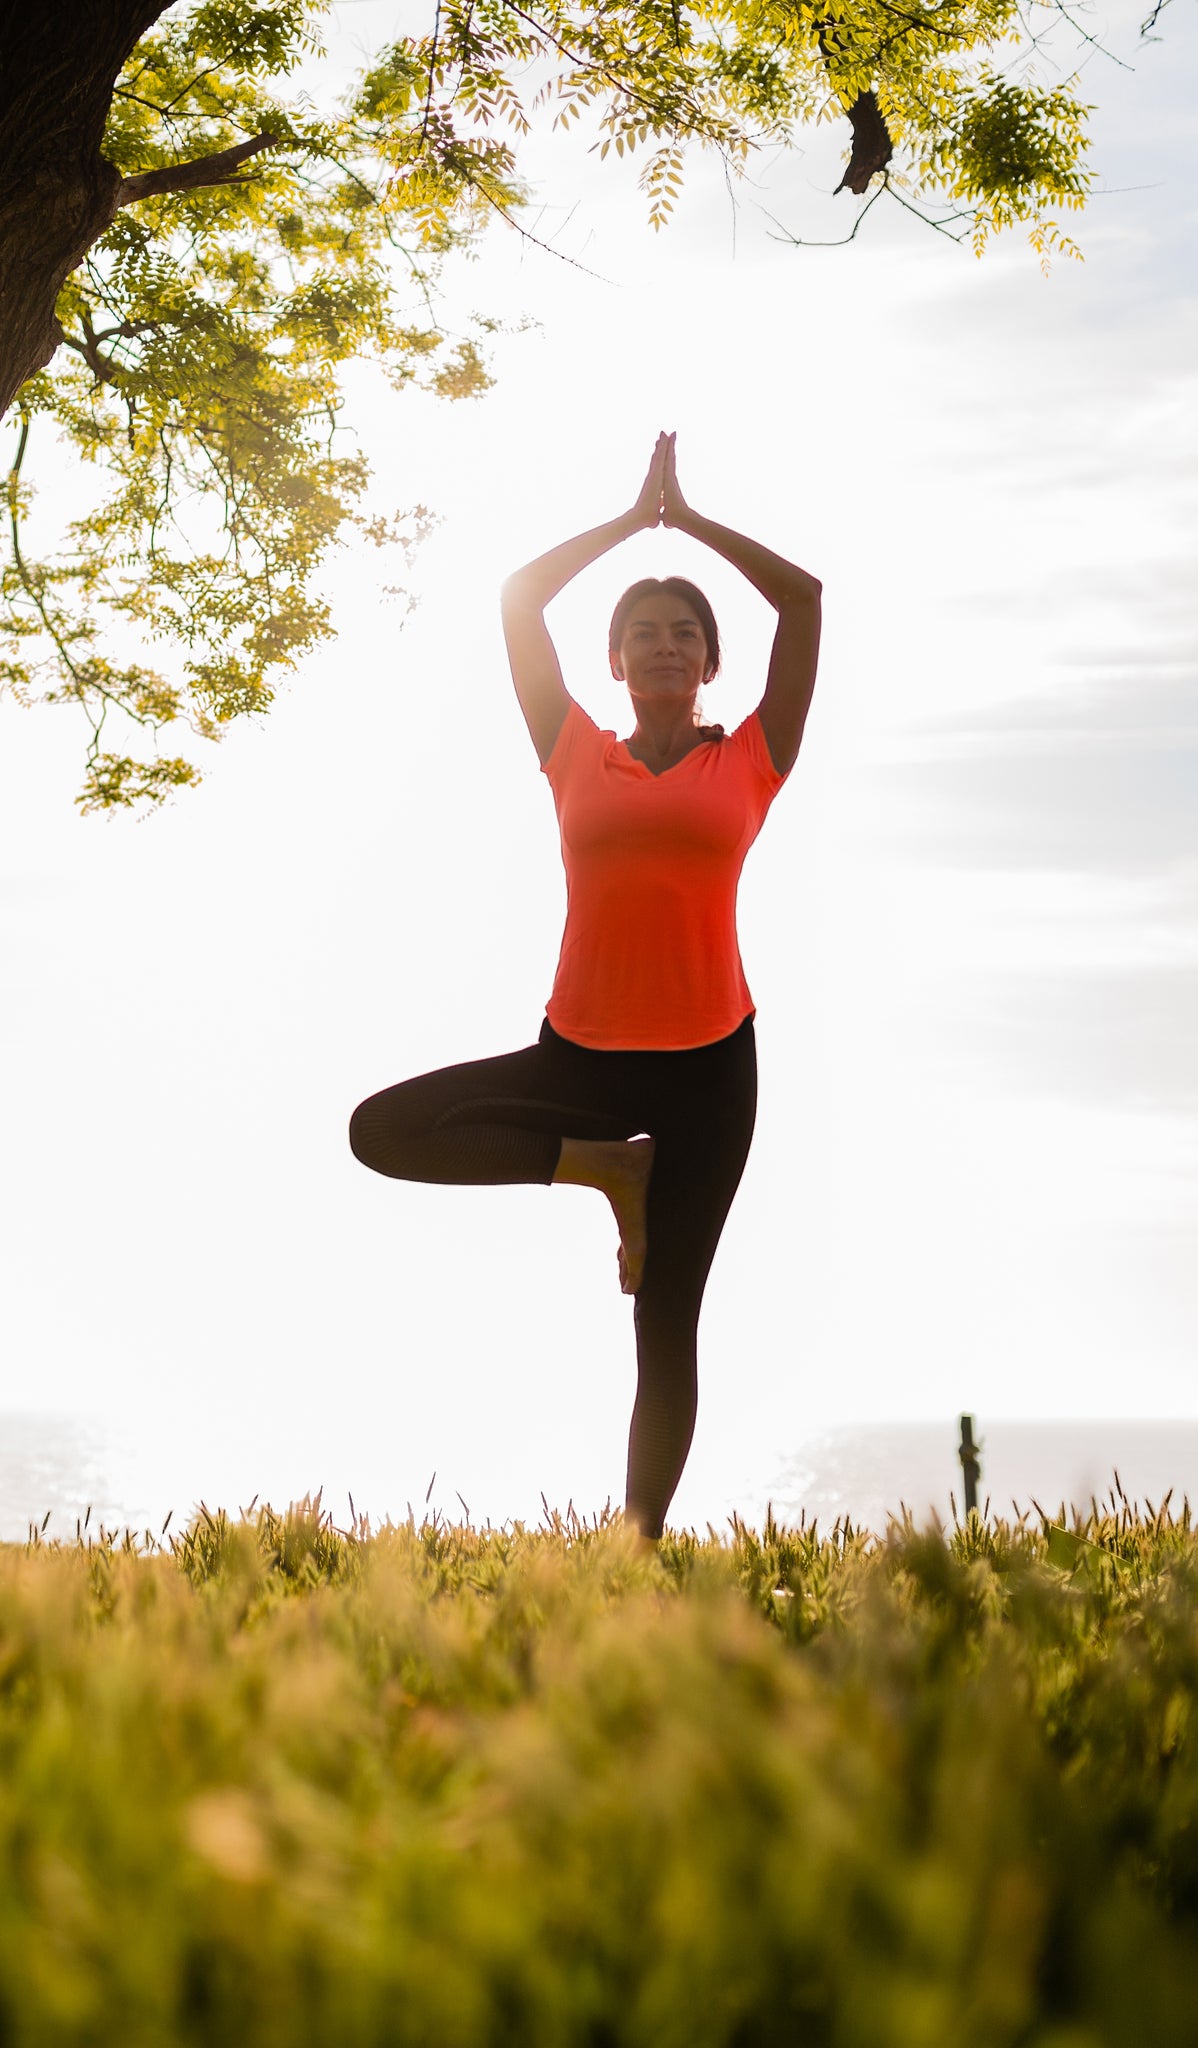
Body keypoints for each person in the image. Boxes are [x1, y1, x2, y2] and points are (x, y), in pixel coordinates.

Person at [348, 433, 821, 1538]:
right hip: (581, 1060)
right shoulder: (572, 747)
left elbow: (801, 601)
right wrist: (626, 522)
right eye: (641, 633)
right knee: (384, 1129)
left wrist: (688, 521)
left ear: (709, 660)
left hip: (709, 1068)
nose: (663, 645)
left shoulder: (750, 757)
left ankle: (635, 1546)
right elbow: (517, 598)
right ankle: (603, 1169)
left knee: (667, 1322)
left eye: (683, 633)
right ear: (613, 661)